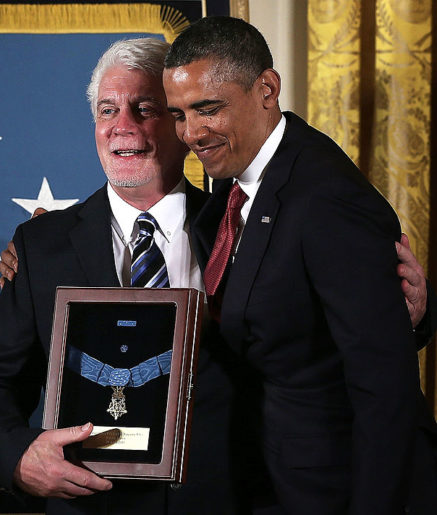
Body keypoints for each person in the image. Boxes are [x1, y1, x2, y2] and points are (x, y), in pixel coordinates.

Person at [160, 16, 437, 514]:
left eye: (207, 109)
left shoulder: (326, 199)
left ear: (266, 89)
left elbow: (385, 391)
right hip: (267, 475)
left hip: (335, 486)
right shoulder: (232, 177)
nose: (191, 133)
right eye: (178, 115)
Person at [0, 38, 245, 514]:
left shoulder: (240, 230)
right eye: (108, 110)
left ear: (180, 123)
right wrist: (20, 457)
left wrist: (412, 319)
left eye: (145, 108)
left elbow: (308, 355)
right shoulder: (40, 245)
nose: (122, 127)